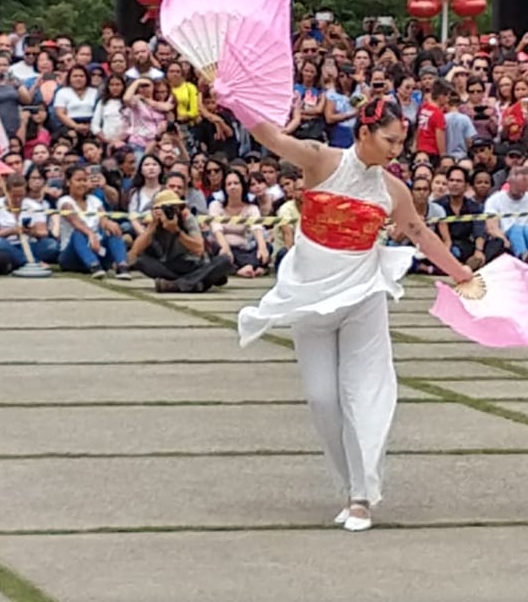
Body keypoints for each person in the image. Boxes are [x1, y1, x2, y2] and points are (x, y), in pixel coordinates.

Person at [238, 97, 473, 533]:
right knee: (322, 398)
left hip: (363, 294)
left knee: (365, 393)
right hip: (309, 296)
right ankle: (349, 485)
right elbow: (270, 137)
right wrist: (234, 100)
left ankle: (362, 496)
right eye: (389, 140)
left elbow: (420, 234)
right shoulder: (319, 160)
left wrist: (461, 273)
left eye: (401, 142)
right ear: (363, 132)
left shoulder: (393, 190)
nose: (396, 150)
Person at [128, 188, 233, 293]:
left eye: (174, 208)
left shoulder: (186, 218)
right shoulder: (153, 222)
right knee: (139, 261)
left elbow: (199, 249)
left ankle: (178, 285)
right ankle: (199, 281)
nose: (171, 212)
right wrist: (153, 225)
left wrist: (176, 231)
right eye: (165, 208)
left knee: (225, 260)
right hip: (168, 265)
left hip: (191, 263)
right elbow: (134, 252)